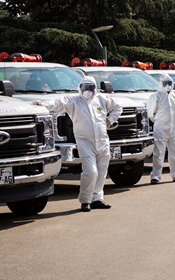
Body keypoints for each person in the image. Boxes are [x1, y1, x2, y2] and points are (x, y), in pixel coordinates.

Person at [37, 75, 121, 211]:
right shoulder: (74, 101)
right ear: (80, 88)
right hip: (85, 142)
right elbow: (58, 103)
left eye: (90, 87)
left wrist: (109, 120)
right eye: (85, 87)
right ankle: (85, 200)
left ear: (95, 88)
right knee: (90, 172)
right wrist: (42, 104)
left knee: (102, 172)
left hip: (103, 141)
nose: (88, 90)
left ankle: (97, 198)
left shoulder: (102, 99)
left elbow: (118, 107)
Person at [147, 74, 175, 183]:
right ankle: (155, 176)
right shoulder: (156, 96)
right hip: (161, 127)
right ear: (161, 84)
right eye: (165, 83)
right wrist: (159, 121)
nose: (168, 85)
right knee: (159, 153)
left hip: (174, 127)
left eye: (169, 83)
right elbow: (151, 113)